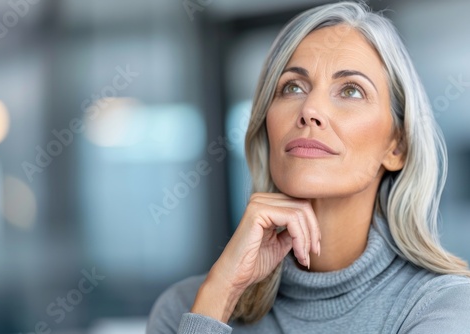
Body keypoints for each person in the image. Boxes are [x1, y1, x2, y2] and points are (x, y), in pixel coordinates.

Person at [146, 2, 470, 333]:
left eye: (351, 91)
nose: (310, 109)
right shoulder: (187, 308)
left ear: (396, 146)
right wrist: (219, 296)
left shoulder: (444, 307)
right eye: (293, 87)